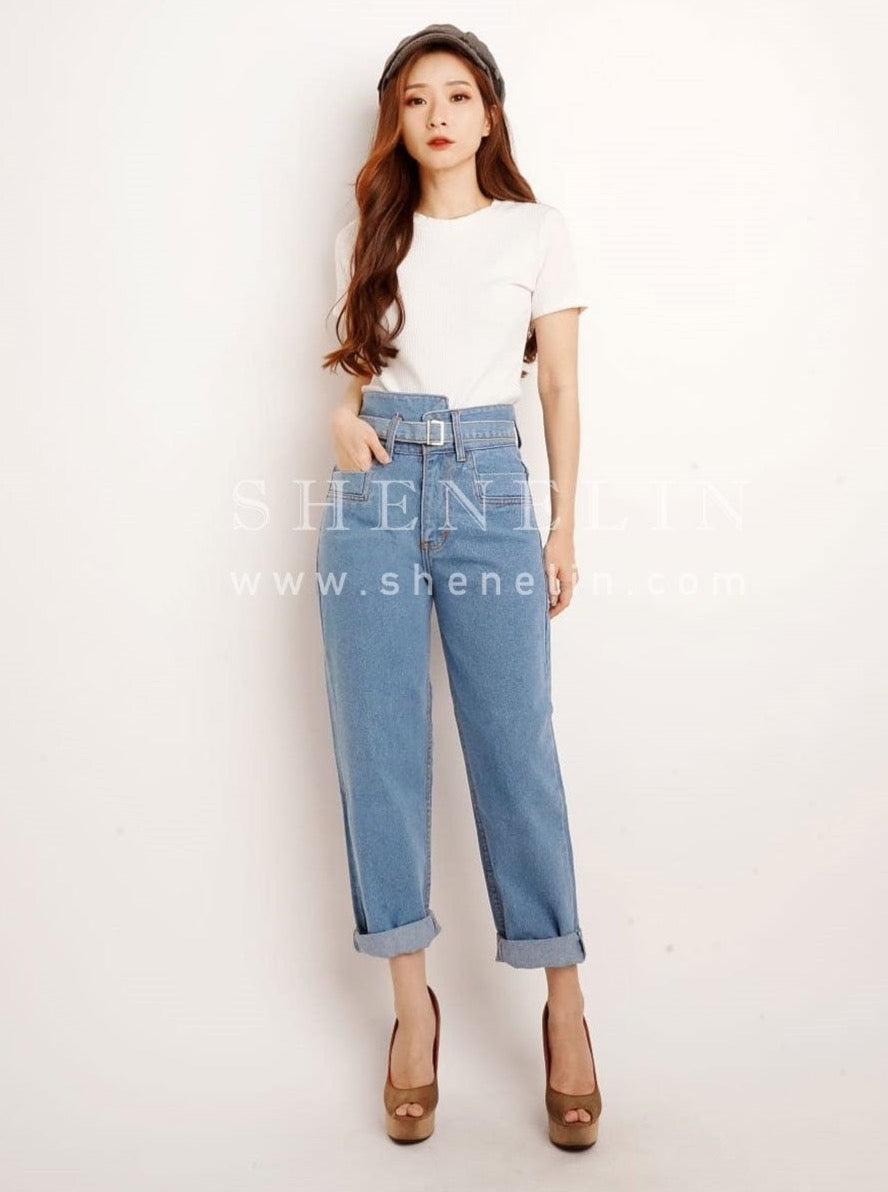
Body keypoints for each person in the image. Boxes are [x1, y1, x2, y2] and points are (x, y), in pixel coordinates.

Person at [316, 23, 602, 1149]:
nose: (438, 115)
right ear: (397, 121)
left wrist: (561, 526)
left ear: (490, 115)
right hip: (376, 491)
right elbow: (349, 372)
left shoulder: (536, 229)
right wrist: (341, 421)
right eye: (416, 99)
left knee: (515, 749)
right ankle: (411, 1012)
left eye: (459, 96)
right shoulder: (365, 231)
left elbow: (560, 387)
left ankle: (565, 1007)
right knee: (378, 748)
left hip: (489, 483)